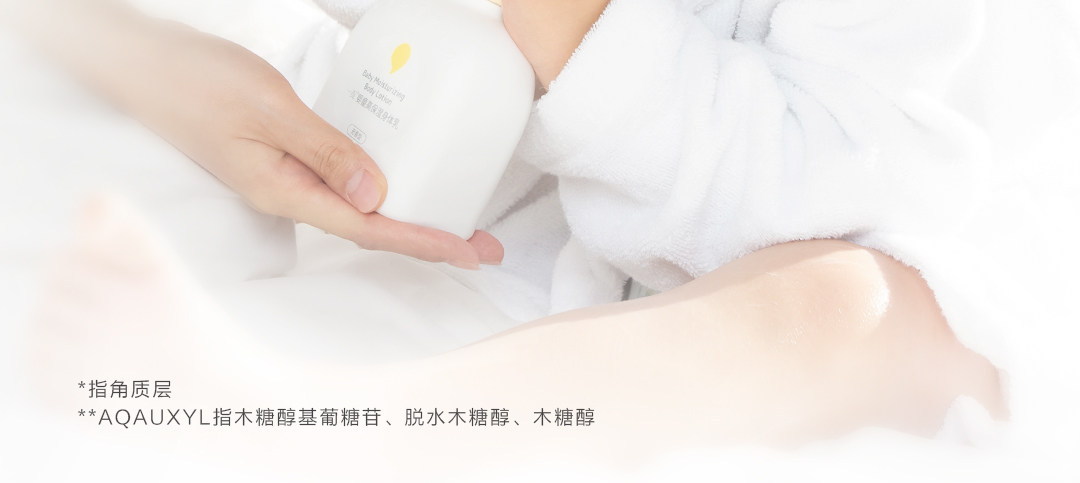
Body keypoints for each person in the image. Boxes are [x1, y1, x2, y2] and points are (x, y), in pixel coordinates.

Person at [9, 0, 1007, 468]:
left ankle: (306, 409)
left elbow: (822, 183)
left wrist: (569, 27)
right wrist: (154, 58)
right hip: (444, 180)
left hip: (766, 254)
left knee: (873, 309)